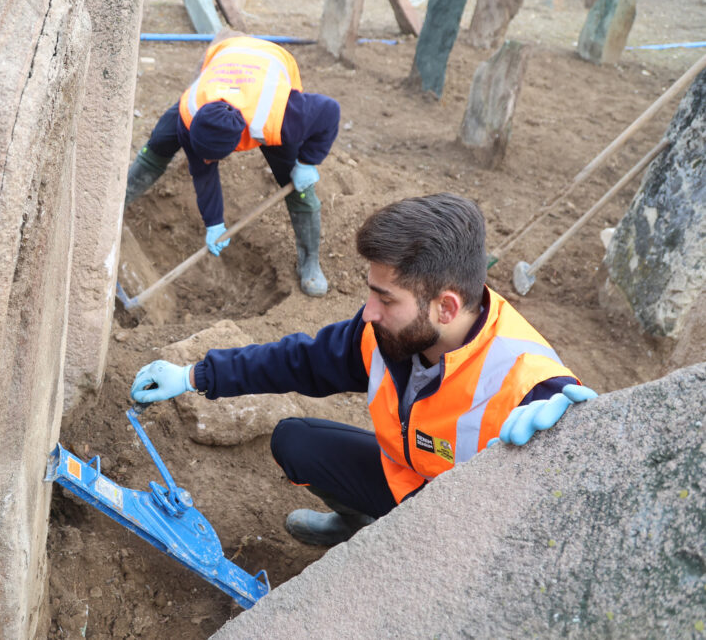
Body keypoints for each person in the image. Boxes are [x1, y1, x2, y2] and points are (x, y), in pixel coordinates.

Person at [129, 193, 597, 546]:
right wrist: (194, 375)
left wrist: (583, 441)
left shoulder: (529, 385)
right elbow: (301, 360)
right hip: (405, 483)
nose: (369, 311)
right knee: (295, 442)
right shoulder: (387, 332)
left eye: (386, 297)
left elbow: (576, 504)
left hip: (460, 537)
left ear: (446, 307)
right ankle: (359, 526)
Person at [124, 35, 341, 297]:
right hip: (226, 55)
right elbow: (202, 171)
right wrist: (213, 222)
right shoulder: (191, 113)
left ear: (239, 143)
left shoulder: (280, 116)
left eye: (214, 158)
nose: (208, 162)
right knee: (160, 141)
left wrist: (308, 162)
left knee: (297, 186)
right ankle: (118, 203)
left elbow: (331, 111)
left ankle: (310, 262)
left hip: (270, 64)